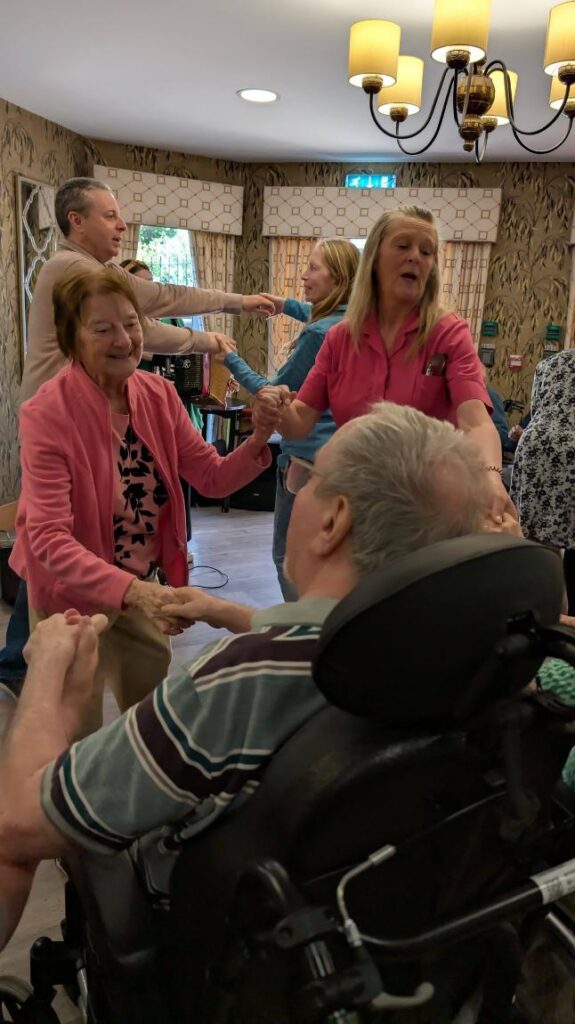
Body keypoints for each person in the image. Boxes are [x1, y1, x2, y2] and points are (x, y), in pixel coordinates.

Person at [0, 401, 493, 944]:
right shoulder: (466, 658)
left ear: (334, 521)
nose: (295, 487)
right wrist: (223, 611)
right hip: (365, 930)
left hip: (209, 930)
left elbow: (19, 821)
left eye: (304, 476)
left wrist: (47, 677)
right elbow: (327, 637)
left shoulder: (234, 681)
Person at [0, 179, 274, 698]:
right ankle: (20, 671)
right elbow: (51, 540)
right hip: (73, 594)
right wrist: (227, 316)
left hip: (141, 581)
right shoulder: (49, 402)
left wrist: (259, 436)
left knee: (146, 709)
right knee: (69, 724)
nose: (124, 339)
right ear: (72, 337)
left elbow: (212, 479)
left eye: (131, 325)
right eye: (103, 330)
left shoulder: (158, 395)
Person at [254, 205, 512, 525]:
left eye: (427, 251)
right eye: (403, 246)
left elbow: (475, 423)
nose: (416, 256)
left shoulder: (448, 334)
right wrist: (274, 406)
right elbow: (298, 422)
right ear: (374, 259)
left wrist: (490, 477)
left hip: (428, 510)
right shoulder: (339, 339)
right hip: (357, 506)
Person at [19, 177, 274, 404]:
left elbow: (164, 296)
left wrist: (237, 301)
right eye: (109, 216)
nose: (122, 225)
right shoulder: (75, 269)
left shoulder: (102, 269)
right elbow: (141, 330)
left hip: (78, 406)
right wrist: (208, 341)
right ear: (77, 221)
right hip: (55, 412)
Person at [223, 239, 360, 599]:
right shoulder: (360, 324)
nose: (303, 275)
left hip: (306, 465)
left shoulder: (318, 335)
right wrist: (284, 306)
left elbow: (274, 392)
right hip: (348, 463)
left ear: (339, 277)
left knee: (288, 559)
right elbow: (325, 315)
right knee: (335, 560)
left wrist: (229, 359)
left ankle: (300, 634)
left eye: (313, 268)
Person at [511, 349, 575, 555]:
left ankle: (545, 584)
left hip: (537, 445)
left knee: (538, 535)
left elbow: (537, 409)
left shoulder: (548, 363)